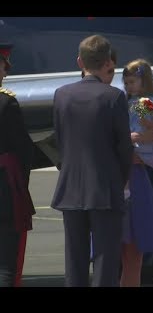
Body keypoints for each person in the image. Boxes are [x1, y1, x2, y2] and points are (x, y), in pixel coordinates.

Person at [51, 35, 133, 287]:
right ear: (108, 62)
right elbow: (124, 147)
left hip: (70, 189)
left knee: (74, 261)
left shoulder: (61, 95)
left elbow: (59, 141)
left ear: (79, 61)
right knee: (105, 260)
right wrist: (120, 181)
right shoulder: (114, 97)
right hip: (105, 190)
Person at [120, 58, 153, 287]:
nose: (129, 86)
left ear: (143, 81)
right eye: (126, 82)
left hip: (145, 149)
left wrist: (144, 124)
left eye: (132, 82)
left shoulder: (145, 101)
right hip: (137, 147)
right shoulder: (131, 100)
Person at [0, 43, 36, 287]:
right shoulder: (6, 103)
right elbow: (23, 151)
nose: (5, 73)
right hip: (4, 189)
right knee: (5, 264)